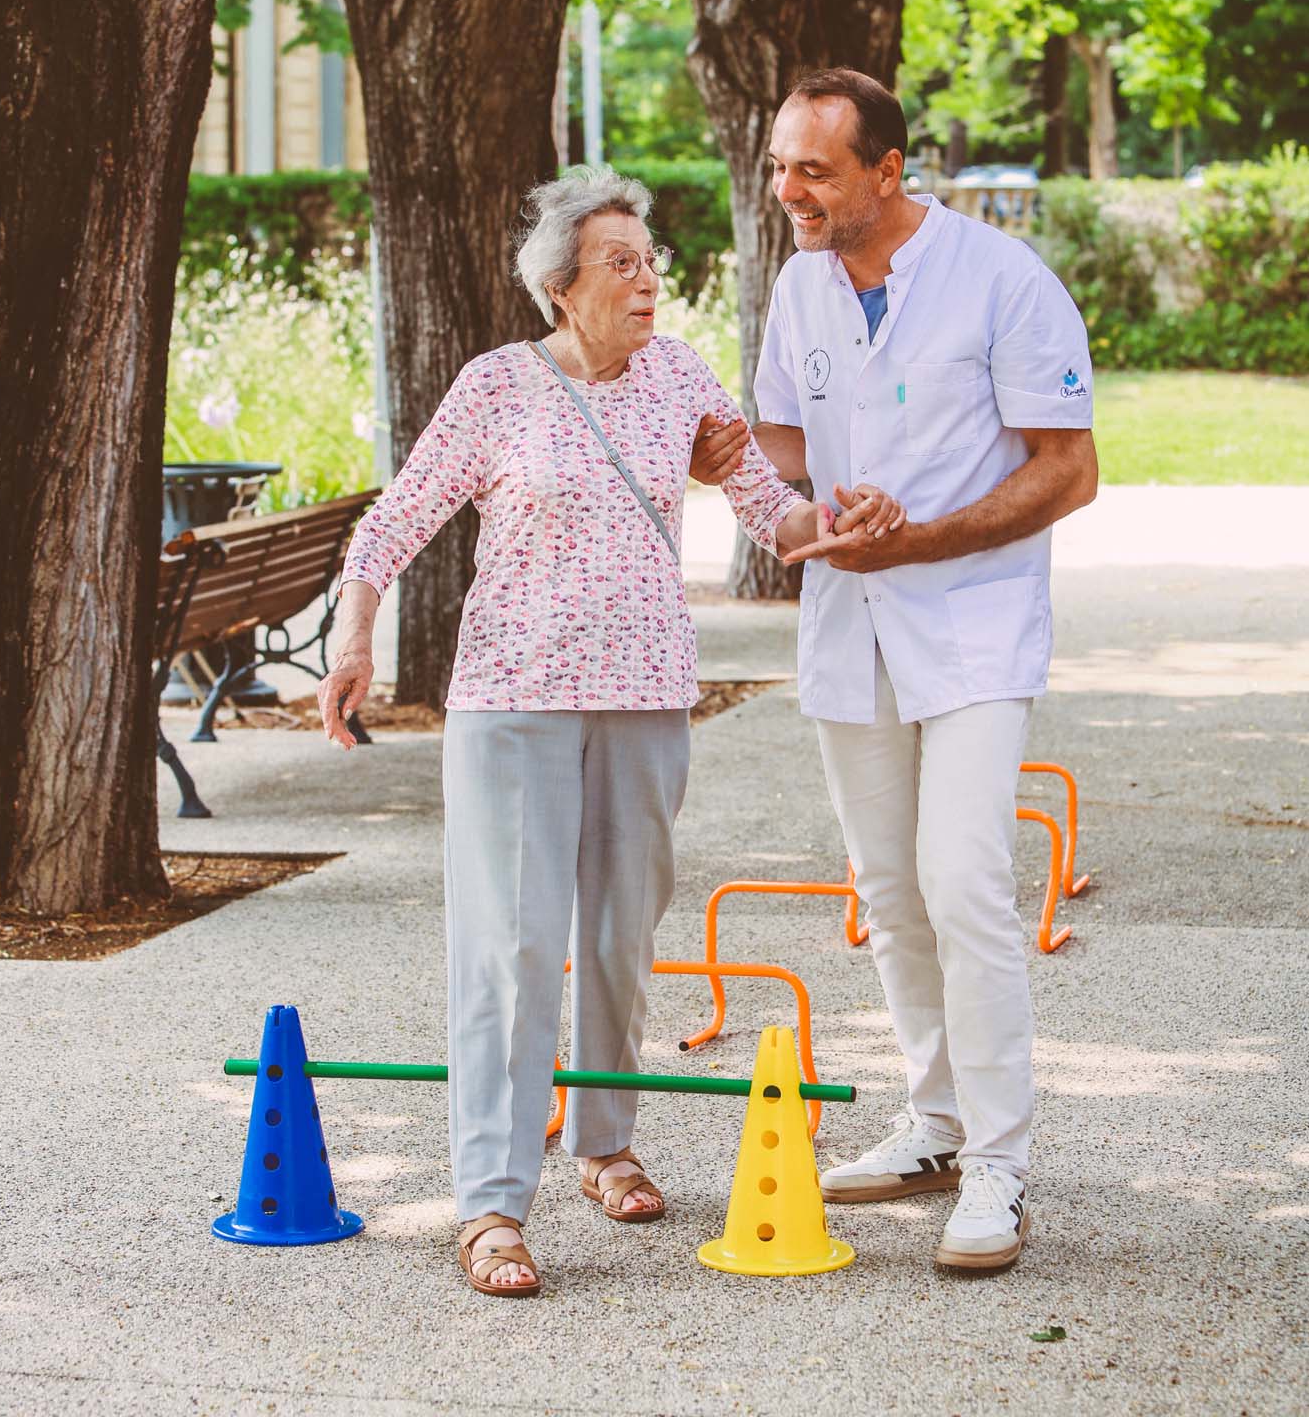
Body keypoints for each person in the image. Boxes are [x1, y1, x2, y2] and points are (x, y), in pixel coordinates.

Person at [317, 166, 902, 1298]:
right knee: (514, 947)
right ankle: (490, 1204)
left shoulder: (678, 375)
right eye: (620, 263)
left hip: (645, 695)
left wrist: (822, 519)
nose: (647, 282)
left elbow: (756, 500)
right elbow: (393, 524)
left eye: (651, 261)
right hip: (512, 697)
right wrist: (354, 642)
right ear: (558, 286)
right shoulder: (496, 388)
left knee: (622, 936)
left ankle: (602, 1143)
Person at [697, 68, 1097, 1275]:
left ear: (887, 171)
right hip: (848, 626)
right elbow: (776, 444)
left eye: (813, 170)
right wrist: (798, 506)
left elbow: (1066, 469)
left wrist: (913, 532)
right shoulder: (799, 289)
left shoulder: (1000, 280)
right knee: (886, 890)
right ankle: (930, 1123)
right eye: (779, 166)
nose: (787, 192)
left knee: (965, 879)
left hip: (971, 623)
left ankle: (999, 1166)